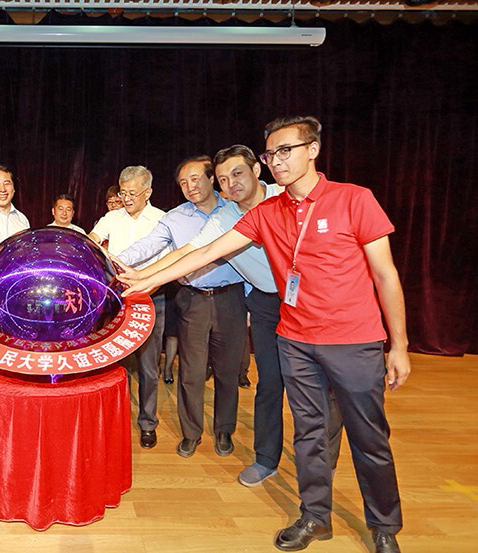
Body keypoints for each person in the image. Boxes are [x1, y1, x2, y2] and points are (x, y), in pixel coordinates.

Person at [123, 117, 408, 553]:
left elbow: (386, 275)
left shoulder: (354, 199)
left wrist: (399, 344)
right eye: (271, 153)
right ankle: (315, 517)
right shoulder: (266, 214)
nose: (277, 161)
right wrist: (144, 282)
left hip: (353, 340)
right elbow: (204, 251)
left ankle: (384, 526)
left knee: (368, 437)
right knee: (309, 433)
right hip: (295, 339)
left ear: (313, 150)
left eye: (285, 151)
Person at [114, 157, 246, 457]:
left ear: (212, 179)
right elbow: (148, 245)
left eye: (196, 178)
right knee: (191, 372)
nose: (190, 186)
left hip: (230, 298)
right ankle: (191, 433)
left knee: (227, 371)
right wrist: (116, 261)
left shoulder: (234, 211)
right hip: (192, 299)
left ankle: (224, 430)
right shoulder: (175, 218)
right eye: (183, 183)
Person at [88, 166, 169, 450]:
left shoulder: (162, 220)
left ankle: (147, 423)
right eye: (123, 192)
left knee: (148, 367)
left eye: (133, 193)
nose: (127, 198)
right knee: (112, 365)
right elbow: (93, 239)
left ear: (148, 192)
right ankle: (112, 421)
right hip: (117, 301)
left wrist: (148, 288)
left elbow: (169, 262)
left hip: (151, 299)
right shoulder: (112, 217)